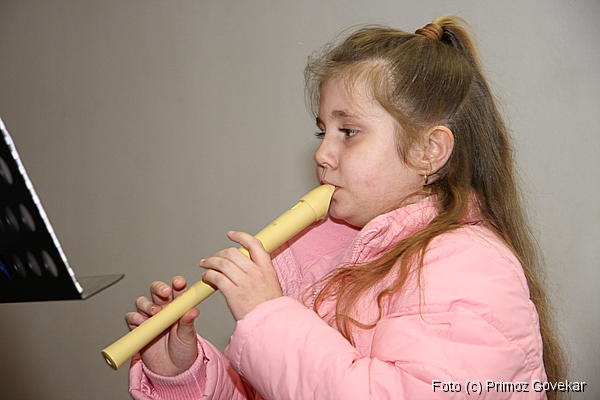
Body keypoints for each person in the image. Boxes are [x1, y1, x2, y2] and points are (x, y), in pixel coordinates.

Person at [127, 16, 565, 399]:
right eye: (323, 132)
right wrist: (181, 374)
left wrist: (268, 318)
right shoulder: (320, 256)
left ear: (428, 150)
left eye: (349, 132)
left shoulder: (469, 268)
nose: (322, 154)